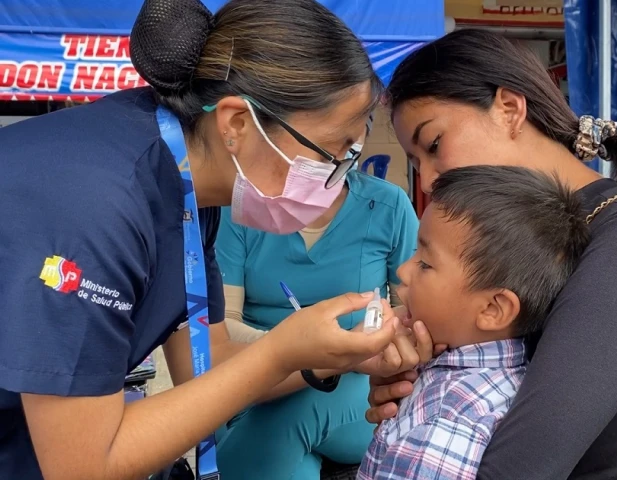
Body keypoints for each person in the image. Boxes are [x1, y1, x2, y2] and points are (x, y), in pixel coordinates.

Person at [0, 1, 435, 479]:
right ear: (236, 124)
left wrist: (332, 356)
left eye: (351, 156)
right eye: (330, 153)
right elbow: (85, 465)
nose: (337, 178)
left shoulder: (192, 192)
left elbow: (206, 364)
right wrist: (279, 351)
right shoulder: (97, 206)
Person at [365, 29, 617, 480]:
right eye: (417, 164)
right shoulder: (520, 239)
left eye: (434, 145)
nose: (430, 180)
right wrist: (419, 382)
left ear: (509, 109)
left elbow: (521, 468)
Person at [358, 166, 590, 480]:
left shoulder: (448, 418)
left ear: (494, 309)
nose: (403, 272)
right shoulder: (494, 376)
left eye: (425, 263)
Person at [214, 137, 418, 478]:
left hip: (354, 384)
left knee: (279, 421)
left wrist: (355, 345)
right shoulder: (239, 207)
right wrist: (300, 349)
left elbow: (410, 312)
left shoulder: (388, 205)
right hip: (255, 374)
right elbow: (225, 324)